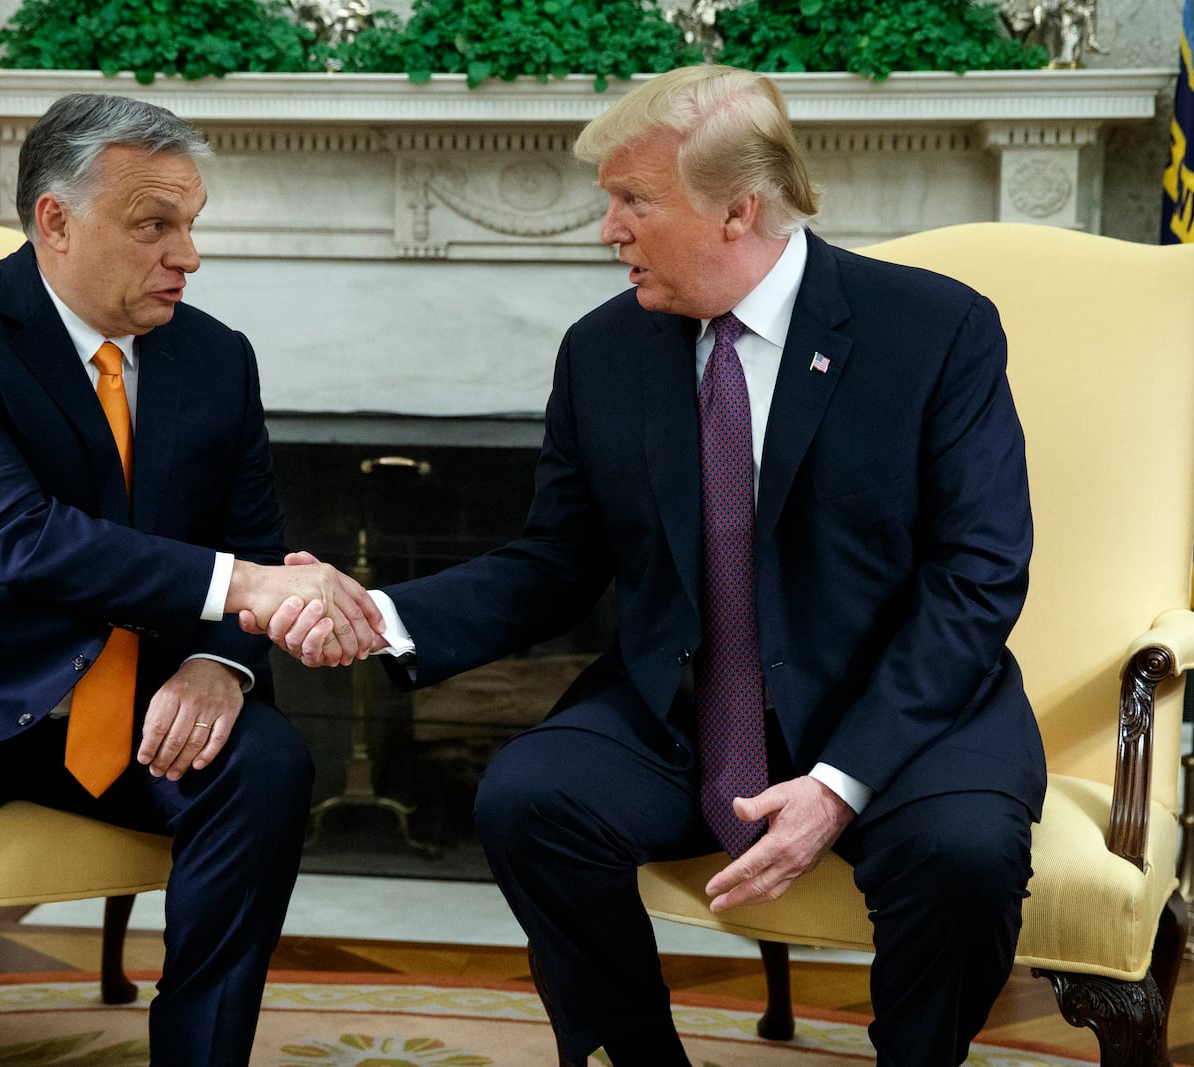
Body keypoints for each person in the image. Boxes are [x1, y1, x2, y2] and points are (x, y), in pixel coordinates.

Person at [251, 64, 1047, 1066]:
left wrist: (841, 779)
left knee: (961, 854)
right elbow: (554, 560)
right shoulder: (604, 351)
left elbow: (973, 578)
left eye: (633, 200)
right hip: (686, 713)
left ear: (736, 209)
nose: (607, 230)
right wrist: (378, 612)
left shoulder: (933, 329)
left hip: (898, 712)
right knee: (528, 798)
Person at [0, 92, 383, 1066]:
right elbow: (17, 536)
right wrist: (248, 591)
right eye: (153, 225)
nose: (187, 254)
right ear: (55, 220)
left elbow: (253, 536)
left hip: (133, 699)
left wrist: (223, 663)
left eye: (189, 224)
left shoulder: (216, 358)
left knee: (265, 769)